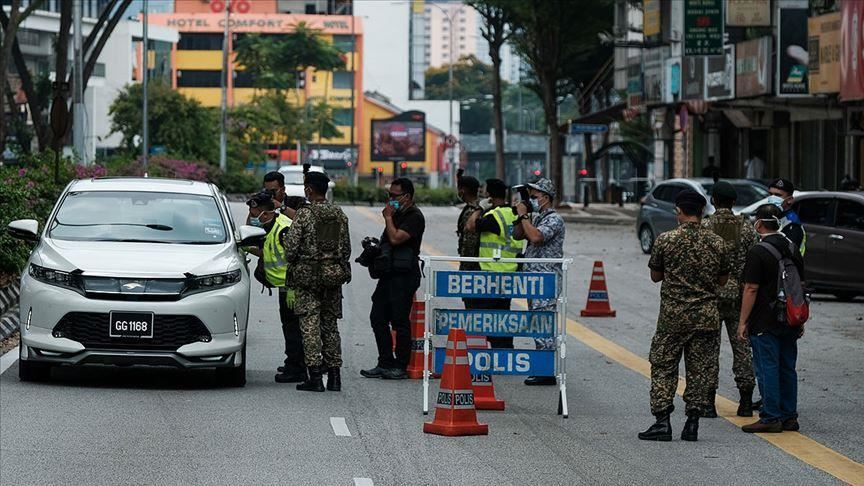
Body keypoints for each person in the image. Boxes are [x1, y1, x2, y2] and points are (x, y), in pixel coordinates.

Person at [639, 189, 730, 442]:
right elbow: (723, 280)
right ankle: (692, 423)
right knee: (700, 369)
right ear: (702, 212)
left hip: (673, 317)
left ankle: (662, 422)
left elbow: (655, 276)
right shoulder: (717, 242)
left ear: (679, 211)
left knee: (664, 366)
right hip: (706, 317)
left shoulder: (666, 240)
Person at [736, 203, 805, 433]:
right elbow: (800, 285)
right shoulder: (792, 247)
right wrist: (800, 318)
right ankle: (789, 417)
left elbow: (751, 288)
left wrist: (743, 321)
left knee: (767, 368)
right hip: (790, 318)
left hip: (764, 320)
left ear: (759, 224)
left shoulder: (758, 251)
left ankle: (770, 417)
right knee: (787, 367)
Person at [282, 172, 351, 392]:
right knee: (330, 326)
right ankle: (335, 377)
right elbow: (346, 250)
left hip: (307, 279)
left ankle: (315, 377)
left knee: (310, 326)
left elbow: (290, 250)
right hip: (333, 277)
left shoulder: (304, 214)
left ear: (309, 189)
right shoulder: (339, 214)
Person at [702, 181, 759, 418]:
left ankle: (708, 403)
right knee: (742, 348)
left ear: (713, 201)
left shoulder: (705, 227)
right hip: (740, 298)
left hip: (711, 297)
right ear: (734, 202)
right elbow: (755, 262)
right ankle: (745, 401)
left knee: (708, 350)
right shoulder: (747, 229)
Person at [361, 178, 426, 380]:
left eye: (394, 196)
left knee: (399, 320)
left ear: (407, 196)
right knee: (377, 317)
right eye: (389, 195)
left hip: (405, 275)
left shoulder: (414, 216)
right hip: (389, 273)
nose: (390, 200)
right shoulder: (397, 214)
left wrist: (388, 217)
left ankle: (400, 365)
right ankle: (385, 362)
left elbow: (397, 238)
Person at [245, 192, 306, 383]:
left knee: (293, 328)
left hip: (292, 287)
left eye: (254, 214)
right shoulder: (268, 226)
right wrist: (247, 247)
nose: (252, 217)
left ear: (266, 213)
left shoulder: (284, 229)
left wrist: (293, 287)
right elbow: (267, 251)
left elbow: (297, 258)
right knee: (289, 326)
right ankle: (294, 362)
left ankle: (297, 368)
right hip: (283, 286)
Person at [513, 178, 564, 386]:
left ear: (546, 197)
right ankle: (542, 368)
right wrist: (520, 216)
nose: (531, 199)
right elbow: (517, 235)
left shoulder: (554, 219)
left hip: (546, 280)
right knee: (537, 323)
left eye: (533, 196)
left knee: (543, 323)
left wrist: (524, 215)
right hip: (534, 280)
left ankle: (546, 371)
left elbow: (536, 238)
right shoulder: (536, 218)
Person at [466, 178, 522, 349]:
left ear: (489, 195)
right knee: (503, 315)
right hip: (510, 272)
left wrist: (479, 208)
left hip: (492, 274)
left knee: (489, 317)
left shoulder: (493, 216)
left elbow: (470, 226)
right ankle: (506, 349)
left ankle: (498, 350)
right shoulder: (513, 213)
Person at [767, 178, 805, 256]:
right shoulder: (773, 217)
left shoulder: (792, 224)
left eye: (778, 195)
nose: (772, 198)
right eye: (770, 194)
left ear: (790, 200)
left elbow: (786, 253)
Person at [456, 173, 482, 272]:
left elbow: (470, 241)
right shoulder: (480, 206)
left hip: (472, 263)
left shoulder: (473, 210)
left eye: (459, 189)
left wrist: (466, 264)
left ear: (463, 190)